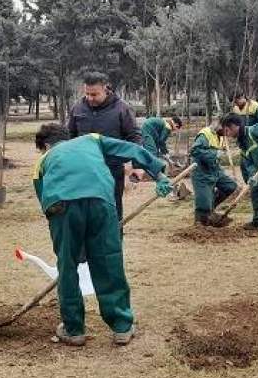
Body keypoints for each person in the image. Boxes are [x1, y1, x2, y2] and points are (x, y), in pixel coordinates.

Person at [33, 124, 172, 347]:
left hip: (61, 206)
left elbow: (45, 203)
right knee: (108, 260)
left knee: (67, 266)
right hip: (100, 200)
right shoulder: (92, 139)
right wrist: (160, 174)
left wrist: (71, 244)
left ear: (46, 146)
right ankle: (122, 327)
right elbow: (132, 149)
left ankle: (73, 329)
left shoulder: (43, 161)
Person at [68, 72, 142, 221]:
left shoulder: (121, 109)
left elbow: (134, 137)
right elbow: (69, 136)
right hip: (83, 170)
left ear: (105, 89)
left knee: (111, 212)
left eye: (94, 94)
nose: (90, 98)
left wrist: (137, 165)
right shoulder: (78, 108)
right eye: (87, 94)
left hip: (111, 170)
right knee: (84, 213)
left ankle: (114, 242)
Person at [189, 114, 240, 225]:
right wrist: (215, 154)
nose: (229, 134)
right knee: (203, 203)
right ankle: (200, 224)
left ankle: (210, 209)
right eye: (228, 130)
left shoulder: (221, 136)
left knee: (230, 186)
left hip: (215, 170)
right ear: (222, 126)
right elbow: (195, 151)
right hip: (201, 172)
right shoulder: (205, 134)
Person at [232, 92, 258, 183]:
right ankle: (248, 184)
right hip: (242, 141)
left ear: (242, 97)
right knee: (244, 165)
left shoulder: (255, 106)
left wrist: (254, 131)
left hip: (254, 141)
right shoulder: (235, 109)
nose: (236, 104)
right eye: (234, 102)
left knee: (254, 164)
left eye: (237, 101)